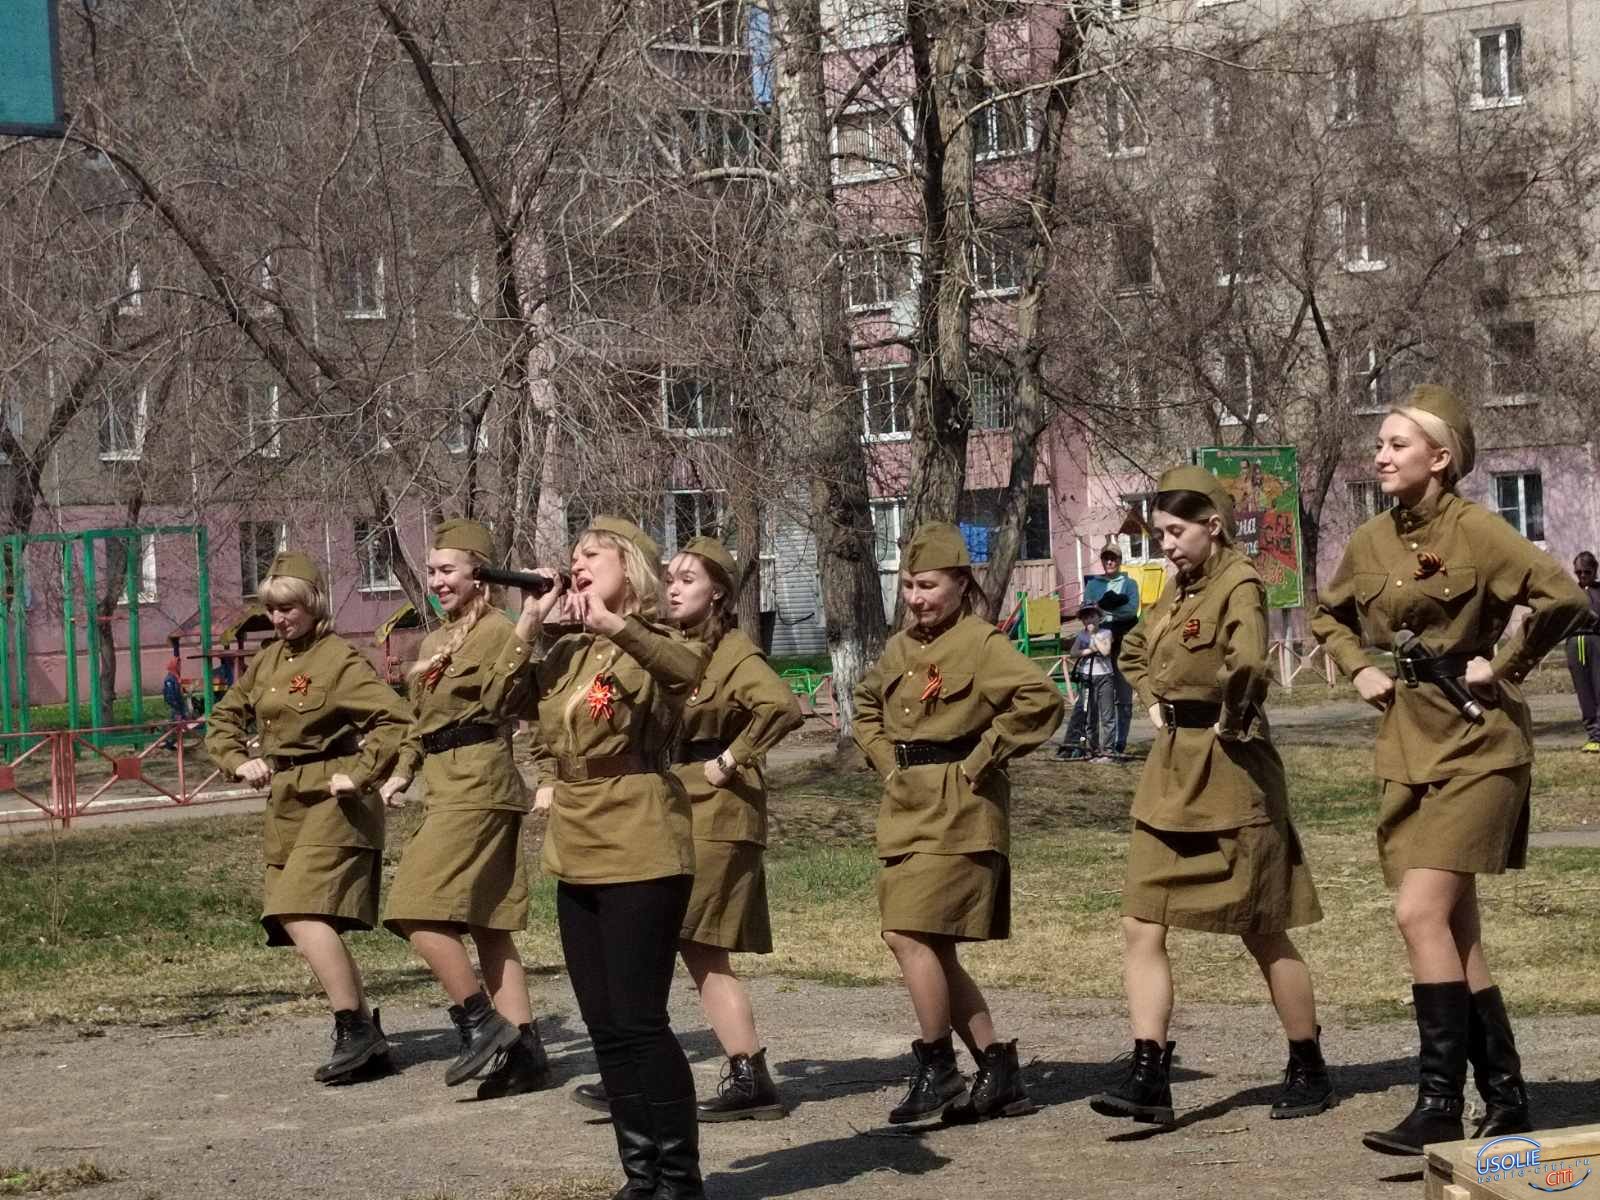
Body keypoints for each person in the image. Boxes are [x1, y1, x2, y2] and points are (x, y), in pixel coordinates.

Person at [1312, 384, 1589, 1156]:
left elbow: (1562, 595)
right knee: (1456, 930)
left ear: (1440, 459)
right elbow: (1327, 612)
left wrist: (1505, 666)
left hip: (1480, 745)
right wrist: (1356, 668)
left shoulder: (1478, 530)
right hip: (1409, 745)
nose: (1381, 455)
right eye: (1380, 445)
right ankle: (1506, 1097)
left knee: (1418, 914)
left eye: (1397, 444)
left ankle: (1438, 1101)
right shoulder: (1371, 540)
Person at [1090, 466, 1333, 1126]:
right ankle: (1149, 1074)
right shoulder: (1178, 589)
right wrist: (1151, 701)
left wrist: (1232, 712)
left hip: (1231, 777)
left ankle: (1308, 1064)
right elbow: (1135, 649)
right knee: (1141, 922)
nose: (1164, 544)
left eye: (1174, 531)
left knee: (1262, 929)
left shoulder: (1239, 583)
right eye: (1160, 532)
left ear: (1213, 526)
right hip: (1169, 780)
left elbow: (1249, 660)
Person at [853, 522, 1062, 1125]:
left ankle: (938, 1066)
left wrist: (983, 756)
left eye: (928, 585)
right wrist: (885, 761)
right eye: (909, 585)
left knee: (907, 934)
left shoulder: (980, 643)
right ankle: (998, 1071)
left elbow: (1041, 699)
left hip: (962, 808)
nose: (917, 598)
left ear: (960, 583)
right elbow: (865, 703)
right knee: (932, 947)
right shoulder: (900, 648)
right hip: (906, 806)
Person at [527, 517, 710, 1200]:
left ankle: (678, 1179)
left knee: (639, 1021)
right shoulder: (569, 652)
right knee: (604, 1027)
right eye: (572, 556)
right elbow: (493, 699)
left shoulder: (650, 641)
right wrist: (531, 623)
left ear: (628, 566)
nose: (575, 564)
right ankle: (642, 1177)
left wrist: (612, 626)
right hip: (576, 843)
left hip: (640, 840)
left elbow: (688, 671)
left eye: (590, 555)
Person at [205, 551, 411, 1085]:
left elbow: (396, 719)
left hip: (334, 799)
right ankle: (365, 1036)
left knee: (298, 910)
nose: (279, 620)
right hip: (287, 802)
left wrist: (363, 773)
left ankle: (355, 1027)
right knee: (288, 914)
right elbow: (224, 718)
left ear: (313, 605)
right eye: (272, 610)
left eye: (289, 608)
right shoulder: (268, 662)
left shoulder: (339, 659)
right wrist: (237, 760)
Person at [378, 519, 551, 1098]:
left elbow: (511, 701)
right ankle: (524, 1055)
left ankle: (479, 1021)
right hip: (445, 785)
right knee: (487, 924)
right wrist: (402, 772)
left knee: (414, 910)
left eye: (447, 570)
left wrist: (529, 623)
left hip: (480, 783)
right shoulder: (434, 642)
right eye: (430, 572)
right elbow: (421, 723)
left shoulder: (503, 630)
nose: (436, 581)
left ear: (481, 574)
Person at [1094, 544, 1141, 755]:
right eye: (1106, 558)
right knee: (1102, 696)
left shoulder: (1130, 583)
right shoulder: (1093, 585)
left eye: (1113, 558)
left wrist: (1104, 608)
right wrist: (1104, 611)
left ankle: (1121, 741)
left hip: (1123, 641)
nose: (1110, 562)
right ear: (1102, 561)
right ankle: (1103, 743)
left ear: (1120, 560)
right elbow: (1089, 614)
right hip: (1102, 642)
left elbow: (1132, 611)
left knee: (1124, 696)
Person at [1565, 552, 1600, 753]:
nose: (1583, 576)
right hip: (1574, 642)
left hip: (1597, 641)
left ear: (1595, 569)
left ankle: (1599, 735)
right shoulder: (1570, 592)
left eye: (1587, 571)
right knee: (1584, 692)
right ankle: (1593, 736)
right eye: (1579, 572)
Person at [161, 657, 187, 749]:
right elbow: (170, 695)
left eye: (180, 665)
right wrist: (176, 707)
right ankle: (168, 743)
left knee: (179, 726)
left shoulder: (176, 678)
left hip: (179, 706)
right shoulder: (170, 679)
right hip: (175, 707)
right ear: (174, 666)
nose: (180, 667)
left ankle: (171, 744)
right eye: (178, 665)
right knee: (175, 726)